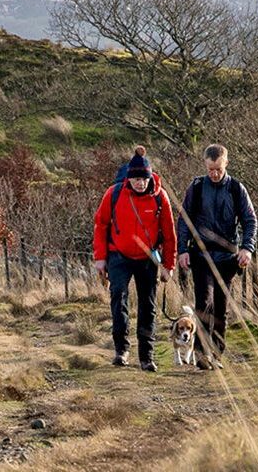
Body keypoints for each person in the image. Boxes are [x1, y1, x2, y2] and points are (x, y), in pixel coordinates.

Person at [92, 148, 177, 371]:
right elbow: (100, 225)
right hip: (118, 255)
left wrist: (169, 265)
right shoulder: (114, 194)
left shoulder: (160, 197)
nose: (140, 183)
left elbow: (169, 235)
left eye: (144, 179)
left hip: (148, 258)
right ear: (129, 178)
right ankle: (122, 350)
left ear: (150, 177)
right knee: (118, 299)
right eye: (136, 179)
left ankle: (147, 356)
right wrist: (100, 258)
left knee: (147, 306)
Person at [175, 144, 257, 370]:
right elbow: (184, 220)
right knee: (204, 303)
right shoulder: (197, 187)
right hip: (201, 255)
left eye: (218, 169)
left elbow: (250, 220)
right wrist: (182, 249)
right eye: (210, 169)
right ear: (205, 164)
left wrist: (247, 248)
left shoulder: (236, 189)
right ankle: (201, 354)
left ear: (226, 164)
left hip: (227, 258)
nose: (214, 173)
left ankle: (217, 353)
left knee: (221, 307)